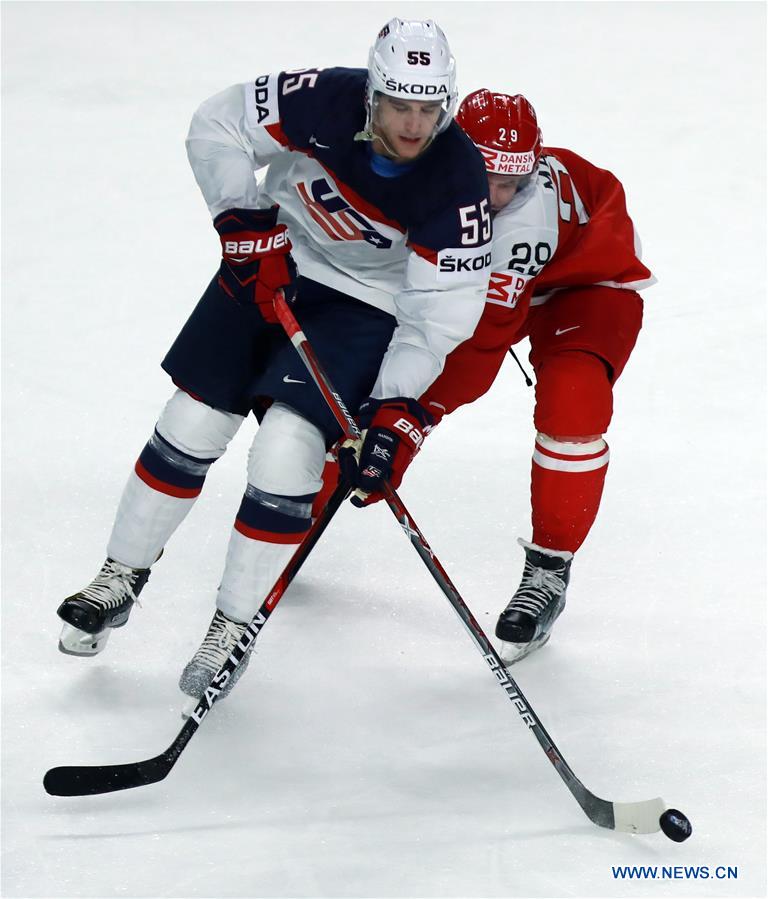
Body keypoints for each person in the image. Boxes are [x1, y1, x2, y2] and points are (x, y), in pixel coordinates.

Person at [56, 19, 491, 706]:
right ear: (373, 94)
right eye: (400, 105)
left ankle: (232, 626)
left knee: (287, 448)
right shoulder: (322, 97)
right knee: (192, 417)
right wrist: (242, 222)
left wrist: (393, 407)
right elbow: (218, 123)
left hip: (365, 305)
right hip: (273, 260)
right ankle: (119, 577)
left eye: (429, 108)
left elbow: (438, 318)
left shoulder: (458, 181)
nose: (414, 124)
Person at [345, 89, 655, 664]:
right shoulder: (422, 172)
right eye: (487, 176)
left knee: (573, 401)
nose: (499, 195)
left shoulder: (523, 221)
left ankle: (548, 572)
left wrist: (408, 423)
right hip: (494, 285)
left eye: (514, 181)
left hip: (588, 285)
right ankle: (296, 508)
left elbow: (474, 351)